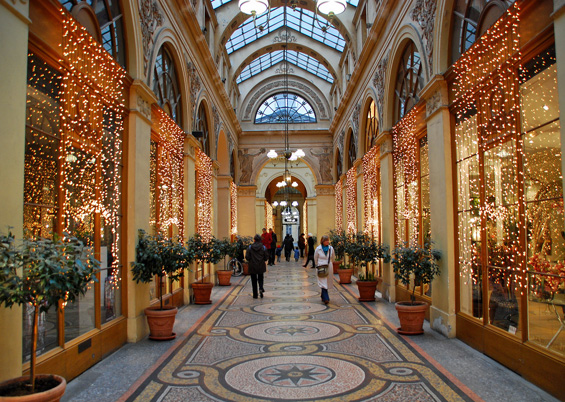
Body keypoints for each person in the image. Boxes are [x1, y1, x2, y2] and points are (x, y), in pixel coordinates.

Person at [245, 234, 268, 299]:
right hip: (261, 265)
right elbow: (266, 257)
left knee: (253, 280)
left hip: (252, 266)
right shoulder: (263, 247)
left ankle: (255, 294)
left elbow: (247, 257)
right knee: (261, 278)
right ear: (260, 240)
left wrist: (251, 260)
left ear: (254, 240)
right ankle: (261, 288)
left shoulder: (250, 247)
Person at [314, 234, 335, 305]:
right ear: (322, 241)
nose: (327, 242)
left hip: (329, 266)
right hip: (321, 267)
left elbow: (333, 257)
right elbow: (315, 258)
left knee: (327, 282)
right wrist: (318, 264)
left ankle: (323, 296)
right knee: (323, 282)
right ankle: (326, 298)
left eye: (328, 240)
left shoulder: (331, 248)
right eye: (326, 241)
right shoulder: (318, 249)